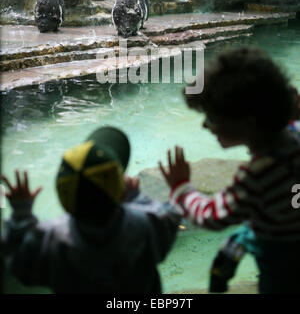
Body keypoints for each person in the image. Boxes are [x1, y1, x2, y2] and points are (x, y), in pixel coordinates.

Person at [159, 47, 300, 294]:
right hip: (284, 219)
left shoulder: (258, 174)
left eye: (212, 118)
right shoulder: (294, 133)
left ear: (247, 123)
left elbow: (212, 216)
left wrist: (181, 187)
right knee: (240, 239)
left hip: (282, 261)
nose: (205, 125)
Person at [1, 126, 181, 294]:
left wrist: (22, 213)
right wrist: (136, 197)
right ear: (120, 192)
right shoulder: (143, 225)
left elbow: (20, 264)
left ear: (64, 199)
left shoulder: (50, 239)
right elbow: (170, 219)